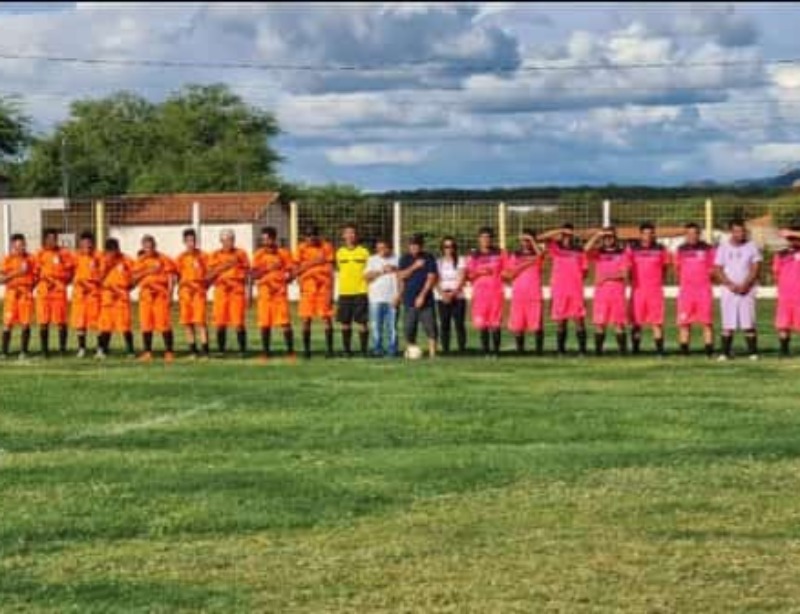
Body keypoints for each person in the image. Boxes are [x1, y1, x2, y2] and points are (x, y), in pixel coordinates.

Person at [714, 219, 762, 361]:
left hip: (747, 289)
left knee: (749, 321)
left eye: (742, 231)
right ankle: (725, 353)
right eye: (736, 231)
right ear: (731, 232)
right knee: (728, 322)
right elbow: (718, 269)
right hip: (729, 290)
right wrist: (729, 284)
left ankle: (753, 353)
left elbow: (756, 267)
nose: (740, 234)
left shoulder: (752, 246)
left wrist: (746, 284)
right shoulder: (723, 247)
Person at [539, 224, 588, 356]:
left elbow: (585, 271)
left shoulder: (579, 250)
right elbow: (541, 237)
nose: (567, 237)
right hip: (559, 290)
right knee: (561, 321)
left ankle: (582, 351)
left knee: (579, 320)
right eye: (564, 235)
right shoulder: (555, 247)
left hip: (575, 290)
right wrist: (560, 230)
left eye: (569, 234)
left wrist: (575, 278)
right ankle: (561, 351)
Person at [251, 226, 295, 361]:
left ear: (273, 239)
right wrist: (266, 270)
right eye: (263, 239)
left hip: (279, 294)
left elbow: (292, 272)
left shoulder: (283, 253)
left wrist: (286, 279)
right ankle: (265, 353)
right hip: (264, 293)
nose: (265, 242)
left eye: (267, 239)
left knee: (285, 322)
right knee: (265, 323)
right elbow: (253, 275)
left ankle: (290, 352)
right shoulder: (258, 254)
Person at [584, 226, 630, 356]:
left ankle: (623, 353)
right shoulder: (598, 252)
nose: (608, 239)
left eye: (610, 236)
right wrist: (597, 235)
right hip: (601, 294)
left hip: (617, 293)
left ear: (615, 238)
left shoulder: (622, 253)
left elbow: (625, 274)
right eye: (606, 237)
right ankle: (598, 353)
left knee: (619, 324)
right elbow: (585, 249)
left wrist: (607, 277)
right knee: (599, 323)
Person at [674, 222, 716, 358]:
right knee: (684, 323)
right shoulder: (681, 249)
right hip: (686, 292)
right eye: (689, 233)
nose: (692, 236)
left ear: (699, 234)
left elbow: (713, 268)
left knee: (707, 323)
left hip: (704, 292)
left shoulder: (708, 249)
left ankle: (709, 353)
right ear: (685, 235)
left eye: (695, 233)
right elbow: (677, 268)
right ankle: (684, 353)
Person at [132, 235, 177, 362]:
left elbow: (171, 277)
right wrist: (147, 272)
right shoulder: (140, 261)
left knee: (164, 323)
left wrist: (170, 294)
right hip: (146, 296)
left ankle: (169, 352)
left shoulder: (163, 259)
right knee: (146, 324)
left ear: (155, 245)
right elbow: (133, 278)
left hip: (160, 295)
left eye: (150, 246)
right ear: (143, 247)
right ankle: (147, 352)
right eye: (146, 247)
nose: (148, 249)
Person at [627, 222, 669, 356]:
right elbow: (627, 267)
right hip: (638, 291)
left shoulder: (661, 249)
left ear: (654, 234)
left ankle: (659, 351)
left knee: (657, 322)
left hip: (655, 291)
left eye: (650, 233)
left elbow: (665, 267)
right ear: (640, 235)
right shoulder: (632, 249)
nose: (648, 236)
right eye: (645, 233)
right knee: (636, 322)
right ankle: (635, 350)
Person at [207, 229, 250, 357]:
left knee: (238, 322)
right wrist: (224, 266)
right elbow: (210, 275)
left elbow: (248, 274)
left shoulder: (241, 253)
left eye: (231, 239)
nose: (228, 242)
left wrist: (249, 293)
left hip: (237, 291)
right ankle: (221, 350)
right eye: (226, 240)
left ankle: (242, 350)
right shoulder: (215, 255)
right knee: (220, 322)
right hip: (221, 291)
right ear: (221, 241)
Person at [294, 226, 335, 359]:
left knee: (326, 318)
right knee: (306, 319)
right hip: (307, 289)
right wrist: (314, 263)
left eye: (312, 235)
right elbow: (296, 270)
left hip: (323, 288)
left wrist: (309, 268)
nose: (310, 238)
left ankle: (329, 350)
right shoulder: (301, 249)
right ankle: (307, 351)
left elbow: (329, 268)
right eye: (307, 236)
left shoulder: (326, 247)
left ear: (318, 236)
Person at [466, 227, 507, 358]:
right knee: (482, 324)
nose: (485, 240)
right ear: (479, 239)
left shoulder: (501, 253)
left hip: (495, 293)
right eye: (483, 237)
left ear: (492, 239)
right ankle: (485, 351)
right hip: (480, 295)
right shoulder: (473, 255)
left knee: (495, 324)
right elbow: (469, 276)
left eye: (488, 237)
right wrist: (479, 272)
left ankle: (495, 352)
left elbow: (508, 271)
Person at [503, 229, 545, 355]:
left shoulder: (537, 254)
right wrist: (523, 266)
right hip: (519, 294)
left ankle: (539, 351)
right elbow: (508, 274)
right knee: (518, 325)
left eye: (528, 240)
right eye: (523, 240)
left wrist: (533, 240)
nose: (525, 242)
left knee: (537, 325)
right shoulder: (515, 255)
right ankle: (520, 351)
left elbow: (541, 256)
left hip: (534, 294)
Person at [34, 228, 74, 357]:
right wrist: (43, 279)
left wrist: (62, 281)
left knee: (61, 321)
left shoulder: (64, 253)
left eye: (54, 238)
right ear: (45, 240)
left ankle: (62, 350)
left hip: (58, 292)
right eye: (49, 239)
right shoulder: (39, 254)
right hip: (44, 292)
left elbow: (70, 272)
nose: (52, 241)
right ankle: (44, 351)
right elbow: (35, 272)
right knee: (43, 321)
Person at [397, 234, 438, 358]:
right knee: (409, 328)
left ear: (421, 246)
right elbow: (401, 276)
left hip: (425, 300)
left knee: (430, 327)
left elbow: (431, 278)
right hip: (409, 299)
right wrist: (415, 266)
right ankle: (411, 350)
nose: (414, 247)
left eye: (416, 245)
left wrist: (422, 296)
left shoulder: (429, 258)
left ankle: (433, 354)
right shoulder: (405, 259)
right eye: (412, 245)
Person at [335, 224, 371, 357]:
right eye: (347, 233)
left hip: (361, 291)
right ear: (343, 235)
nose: (350, 236)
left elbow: (369, 271)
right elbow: (339, 269)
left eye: (353, 233)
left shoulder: (364, 252)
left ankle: (363, 351)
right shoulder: (339, 252)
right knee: (345, 323)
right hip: (344, 292)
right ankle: (346, 350)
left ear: (357, 235)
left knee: (362, 322)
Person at [97, 238, 135, 358]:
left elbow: (134, 275)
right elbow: (99, 279)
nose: (112, 254)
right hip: (108, 296)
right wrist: (107, 267)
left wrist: (129, 287)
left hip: (121, 296)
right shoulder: (103, 260)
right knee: (105, 325)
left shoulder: (126, 260)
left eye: (115, 251)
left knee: (125, 325)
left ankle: (130, 350)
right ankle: (102, 349)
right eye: (110, 251)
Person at [1, 233, 37, 359]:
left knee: (25, 323)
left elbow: (36, 276)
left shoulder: (31, 259)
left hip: (25, 295)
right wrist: (17, 273)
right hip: (12, 295)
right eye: (17, 246)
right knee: (7, 323)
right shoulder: (7, 260)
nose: (20, 248)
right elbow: (1, 279)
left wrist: (30, 287)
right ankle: (4, 352)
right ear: (12, 246)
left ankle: (23, 351)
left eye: (22, 245)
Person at [176, 228, 210, 359]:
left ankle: (205, 350)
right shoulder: (180, 258)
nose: (191, 243)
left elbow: (210, 272)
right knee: (187, 322)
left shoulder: (204, 256)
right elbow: (177, 275)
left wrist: (205, 285)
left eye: (193, 240)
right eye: (188, 240)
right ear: (184, 241)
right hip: (185, 293)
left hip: (198, 292)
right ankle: (192, 350)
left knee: (200, 321)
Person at [364, 238, 399, 357]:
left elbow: (402, 277)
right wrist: (382, 270)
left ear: (389, 248)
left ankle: (392, 350)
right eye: (379, 248)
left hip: (392, 299)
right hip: (376, 299)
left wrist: (398, 296)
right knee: (376, 327)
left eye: (384, 248)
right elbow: (367, 277)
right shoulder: (372, 260)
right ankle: (377, 349)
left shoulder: (397, 259)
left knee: (392, 327)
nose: (381, 251)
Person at [70, 231, 103, 358]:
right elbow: (69, 272)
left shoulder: (98, 257)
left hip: (94, 295)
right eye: (84, 245)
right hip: (79, 296)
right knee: (80, 323)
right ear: (80, 245)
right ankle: (82, 348)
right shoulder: (75, 257)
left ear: (93, 244)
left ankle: (99, 349)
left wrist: (92, 283)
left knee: (97, 323)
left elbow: (102, 274)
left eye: (89, 245)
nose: (87, 247)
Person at [436, 236, 467, 354]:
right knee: (444, 324)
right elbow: (436, 280)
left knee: (459, 324)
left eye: (451, 246)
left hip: (458, 296)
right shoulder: (438, 262)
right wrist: (443, 294)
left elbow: (462, 278)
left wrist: (453, 294)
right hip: (442, 297)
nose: (449, 249)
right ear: (442, 248)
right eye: (446, 247)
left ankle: (461, 349)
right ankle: (445, 349)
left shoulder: (460, 260)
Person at [774, 226, 800, 356]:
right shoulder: (781, 254)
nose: (792, 241)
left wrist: (791, 232)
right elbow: (776, 272)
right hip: (785, 295)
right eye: (790, 239)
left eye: (795, 239)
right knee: (783, 324)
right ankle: (784, 350)